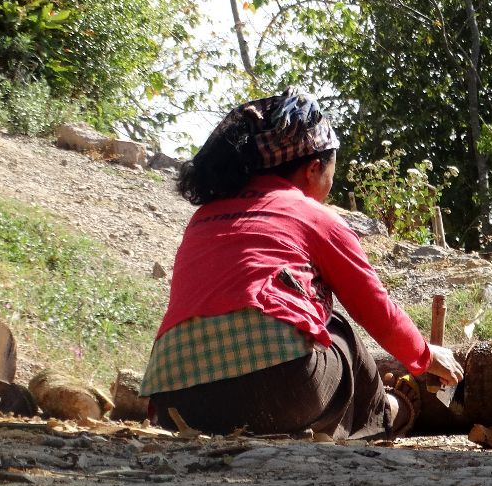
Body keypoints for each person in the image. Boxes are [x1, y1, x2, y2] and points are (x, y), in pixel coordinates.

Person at [141, 88, 461, 440]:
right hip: (282, 388)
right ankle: (388, 412)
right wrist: (425, 356)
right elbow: (375, 309)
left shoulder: (203, 218)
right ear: (313, 168)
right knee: (336, 326)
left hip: (175, 404)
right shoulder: (312, 216)